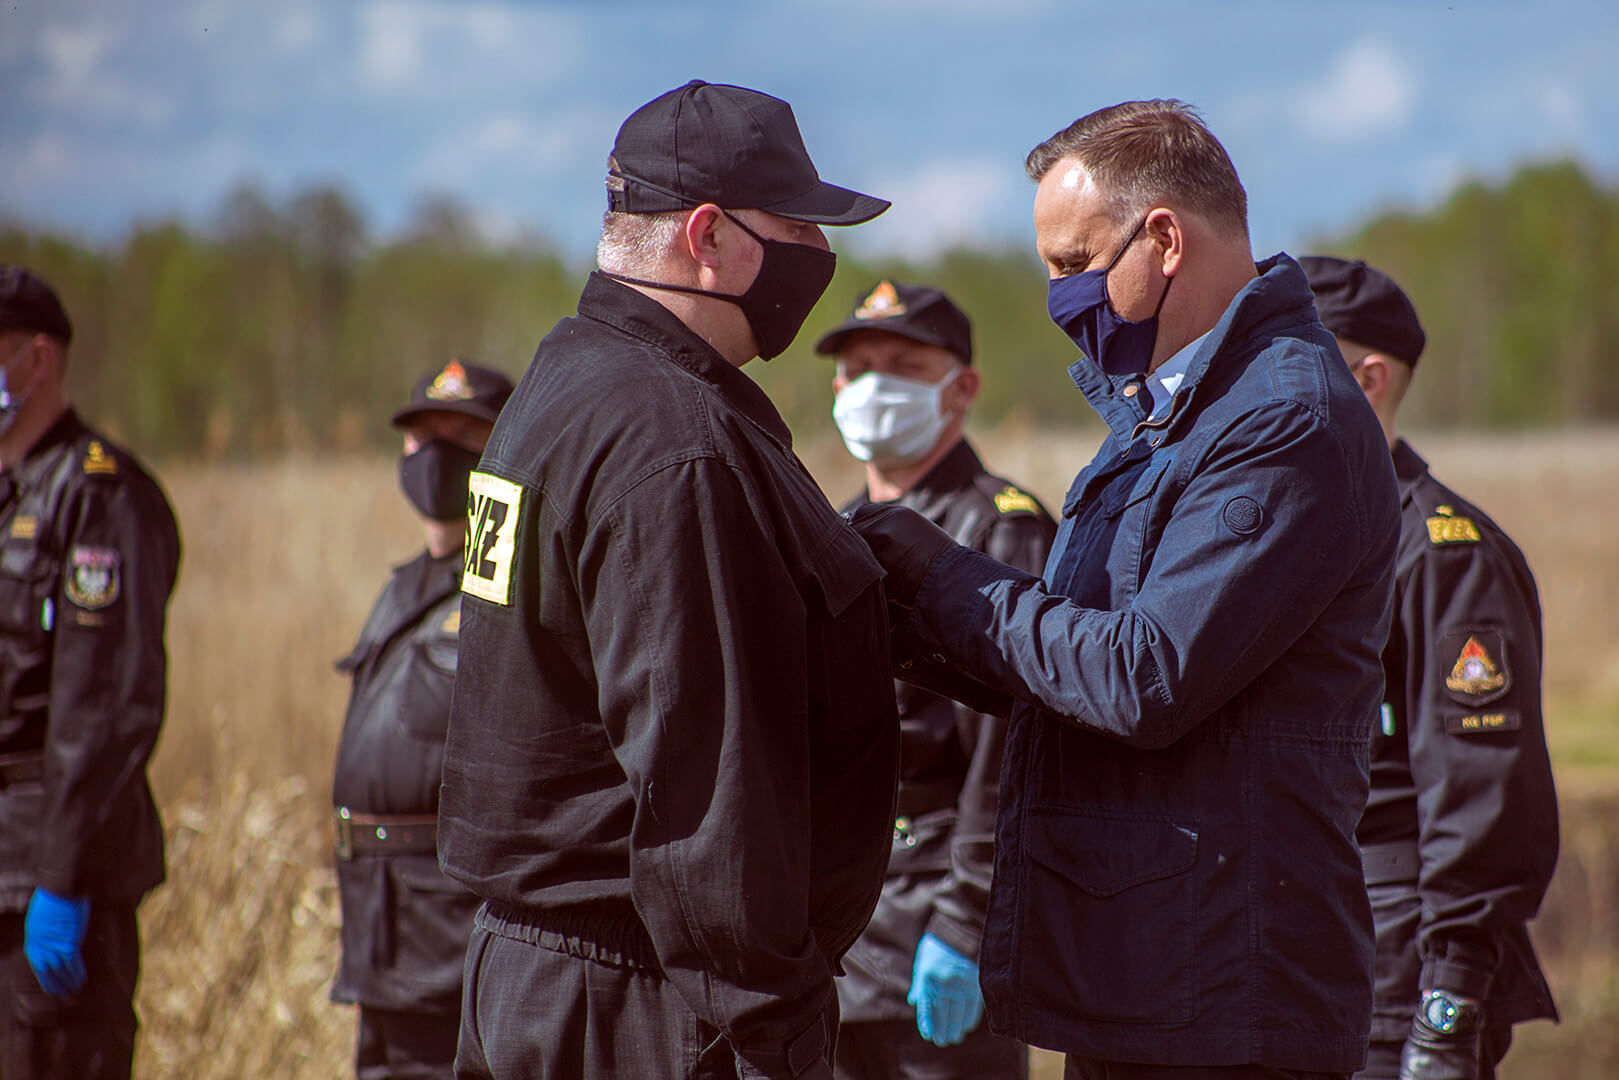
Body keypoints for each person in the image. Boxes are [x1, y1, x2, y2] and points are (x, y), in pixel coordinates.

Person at [847, 101, 1400, 1078]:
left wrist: (944, 576)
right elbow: (1072, 665)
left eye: (1072, 263)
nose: (1059, 297)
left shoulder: (1284, 426)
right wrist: (894, 615)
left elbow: (1144, 675)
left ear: (1163, 239)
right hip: (1150, 981)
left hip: (1232, 996)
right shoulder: (1167, 416)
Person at [437, 80, 899, 1080]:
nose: (820, 256)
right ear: (708, 236)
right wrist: (772, 1031)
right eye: (797, 226)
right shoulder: (670, 442)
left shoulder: (565, 385)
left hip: (541, 981)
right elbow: (703, 781)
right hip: (652, 1003)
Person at [1299, 257, 1558, 1080]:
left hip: (1397, 973)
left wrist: (1448, 1013)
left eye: (1289, 359)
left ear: (1369, 378)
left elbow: (1481, 797)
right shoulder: (1289, 538)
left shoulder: (1445, 554)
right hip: (1293, 956)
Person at [816, 281, 1053, 1080]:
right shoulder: (831, 530)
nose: (875, 383)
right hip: (838, 938)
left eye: (904, 364)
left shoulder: (999, 528)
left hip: (938, 926)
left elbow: (1018, 750)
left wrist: (965, 922)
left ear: (963, 388)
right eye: (859, 365)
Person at [0, 266, 181, 1079]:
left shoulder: (98, 493)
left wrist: (62, 879)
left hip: (45, 883)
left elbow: (104, 709)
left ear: (37, 360)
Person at [330, 359, 513, 1080]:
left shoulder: (513, 586)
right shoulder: (402, 587)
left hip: (454, 946)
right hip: (380, 935)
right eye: (421, 435)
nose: (437, 454)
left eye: (464, 433)